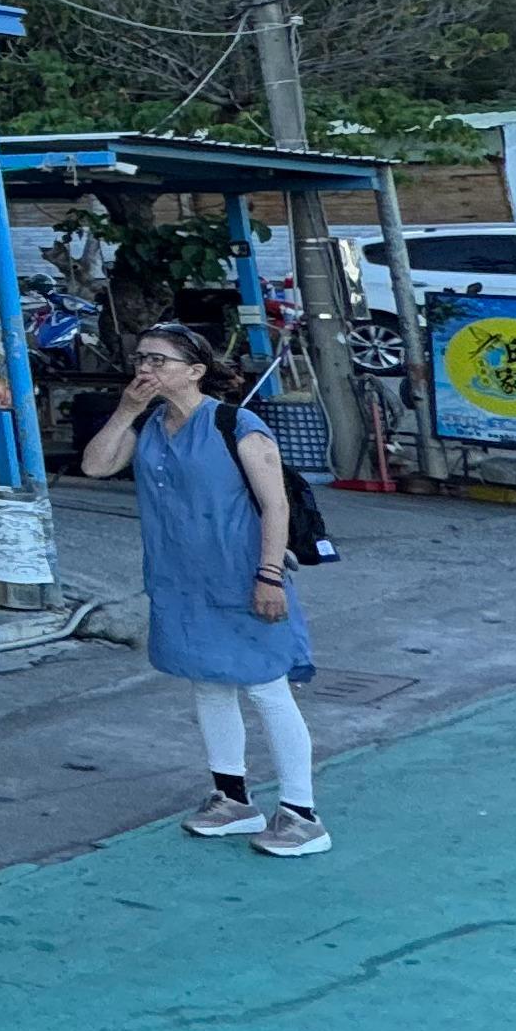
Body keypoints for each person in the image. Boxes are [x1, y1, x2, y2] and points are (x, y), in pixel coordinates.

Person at [82, 323, 327, 856]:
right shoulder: (148, 425)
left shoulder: (235, 424)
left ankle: (301, 813)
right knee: (208, 684)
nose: (146, 368)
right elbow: (95, 466)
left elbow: (276, 505)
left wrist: (268, 575)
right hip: (179, 579)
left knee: (266, 688)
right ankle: (232, 798)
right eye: (141, 358)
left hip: (241, 576)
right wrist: (125, 410)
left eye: (159, 360)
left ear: (195, 371)